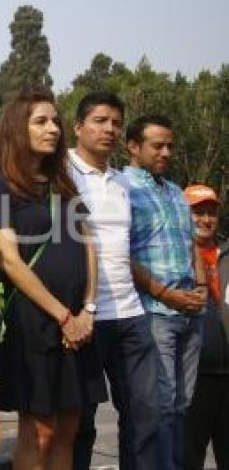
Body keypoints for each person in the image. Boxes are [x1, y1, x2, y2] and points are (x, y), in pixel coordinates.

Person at [0, 88, 106, 470]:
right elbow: (11, 260)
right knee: (40, 431)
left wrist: (86, 308)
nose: (53, 128)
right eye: (41, 121)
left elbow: (88, 245)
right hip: (35, 324)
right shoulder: (0, 185)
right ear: (18, 128)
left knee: (69, 426)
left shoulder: (62, 183)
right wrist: (63, 317)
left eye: (54, 120)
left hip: (78, 324)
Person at [69, 92, 159, 470]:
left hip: (131, 315)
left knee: (145, 415)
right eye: (100, 120)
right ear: (78, 127)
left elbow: (130, 249)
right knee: (81, 424)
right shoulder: (61, 175)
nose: (110, 129)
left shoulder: (123, 183)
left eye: (116, 123)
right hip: (85, 317)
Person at [124, 115, 206, 470]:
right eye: (158, 145)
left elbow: (192, 247)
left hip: (191, 313)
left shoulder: (175, 191)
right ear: (133, 147)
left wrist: (201, 288)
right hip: (155, 311)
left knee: (183, 404)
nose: (166, 152)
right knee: (161, 405)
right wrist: (164, 293)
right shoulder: (122, 187)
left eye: (170, 145)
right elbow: (118, 253)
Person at [182, 184, 228, 470]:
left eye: (211, 213)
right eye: (197, 212)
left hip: (228, 376)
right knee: (188, 457)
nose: (205, 220)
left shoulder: (227, 254)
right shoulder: (173, 257)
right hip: (191, 378)